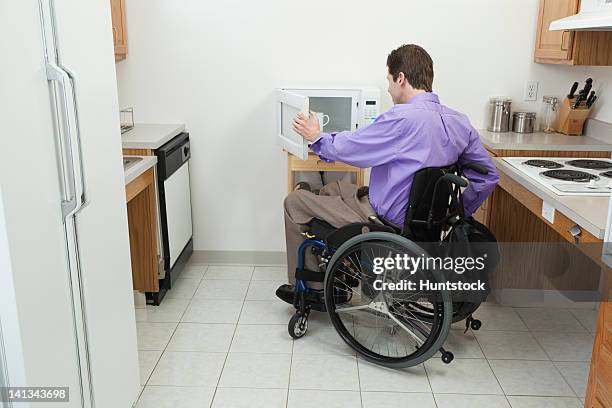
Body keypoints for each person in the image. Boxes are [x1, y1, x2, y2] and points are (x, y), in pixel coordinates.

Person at [281, 43, 500, 291]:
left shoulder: (401, 118)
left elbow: (354, 148)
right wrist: (454, 213)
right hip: (424, 222)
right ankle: (341, 271)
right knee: (335, 188)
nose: (388, 87)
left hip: (386, 220)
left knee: (295, 201)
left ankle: (312, 288)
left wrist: (316, 137)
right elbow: (488, 176)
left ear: (401, 78)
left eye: (389, 80)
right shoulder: (460, 122)